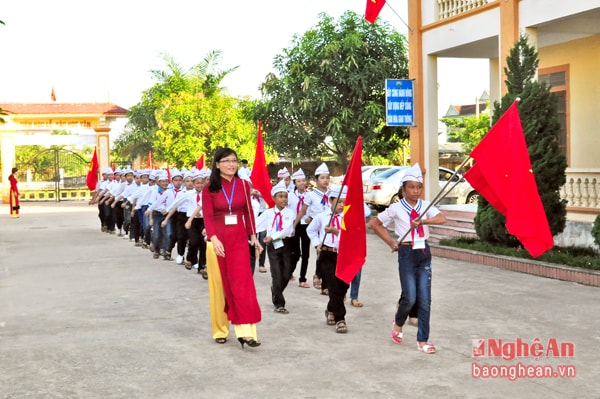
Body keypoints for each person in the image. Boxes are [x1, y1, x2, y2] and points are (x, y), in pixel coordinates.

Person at [368, 163, 447, 354]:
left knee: (425, 300)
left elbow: (442, 218)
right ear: (403, 188)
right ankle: (398, 321)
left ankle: (423, 341)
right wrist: (391, 243)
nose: (415, 191)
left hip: (423, 252)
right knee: (409, 297)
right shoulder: (396, 208)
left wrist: (424, 221)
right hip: (406, 253)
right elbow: (375, 223)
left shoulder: (425, 205)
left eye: (418, 187)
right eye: (411, 187)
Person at [202, 147, 263, 349]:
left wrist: (254, 237)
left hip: (238, 241)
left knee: (242, 285)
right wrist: (213, 238)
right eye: (226, 161)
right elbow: (208, 216)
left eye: (234, 161)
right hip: (217, 242)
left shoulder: (244, 185)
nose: (231, 164)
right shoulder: (209, 188)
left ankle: (247, 332)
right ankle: (220, 330)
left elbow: (249, 213)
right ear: (217, 164)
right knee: (219, 287)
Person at [306, 186, 350, 333]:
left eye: (344, 202)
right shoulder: (322, 216)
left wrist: (335, 231)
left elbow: (350, 236)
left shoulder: (348, 217)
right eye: (338, 202)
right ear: (331, 201)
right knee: (333, 285)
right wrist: (317, 243)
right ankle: (340, 319)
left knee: (343, 285)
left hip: (343, 254)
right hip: (328, 254)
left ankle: (331, 309)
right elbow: (310, 230)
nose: (342, 205)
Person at [256, 180, 295, 314]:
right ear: (274, 198)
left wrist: (273, 236)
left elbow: (287, 228)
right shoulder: (268, 213)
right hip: (273, 246)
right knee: (276, 273)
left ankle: (275, 289)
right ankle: (279, 303)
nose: (284, 199)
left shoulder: (290, 213)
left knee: (286, 273)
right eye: (280, 196)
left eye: (285, 196)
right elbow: (256, 225)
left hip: (286, 243)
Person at [294, 162, 331, 293]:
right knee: (319, 252)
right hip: (315, 227)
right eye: (322, 178)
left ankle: (323, 282)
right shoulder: (311, 195)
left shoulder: (332, 194)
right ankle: (316, 276)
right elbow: (303, 211)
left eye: (327, 178)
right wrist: (295, 224)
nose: (325, 180)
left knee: (327, 254)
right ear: (316, 180)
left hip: (329, 228)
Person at [287, 168, 311, 287]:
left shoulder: (310, 195)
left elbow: (313, 210)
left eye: (303, 181)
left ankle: (302, 278)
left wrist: (310, 218)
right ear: (295, 183)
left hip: (306, 225)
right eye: (299, 181)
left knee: (306, 253)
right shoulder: (290, 196)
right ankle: (289, 272)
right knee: (296, 252)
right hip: (294, 225)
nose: (302, 183)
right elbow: (287, 211)